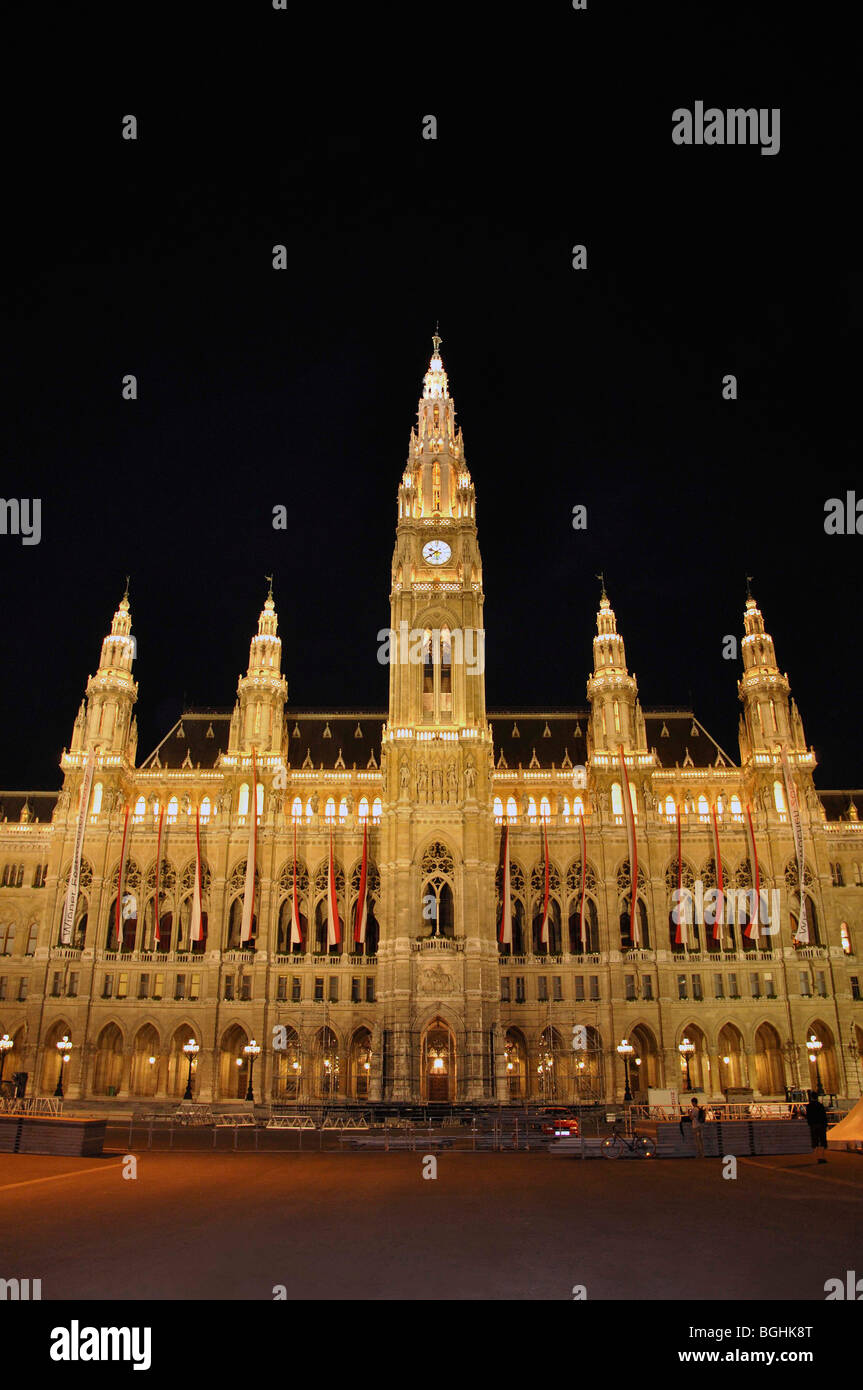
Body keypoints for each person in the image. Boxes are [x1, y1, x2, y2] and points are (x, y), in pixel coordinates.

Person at [804, 1089, 829, 1163]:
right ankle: (822, 1157)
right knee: (822, 1141)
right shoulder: (820, 1105)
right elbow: (823, 1116)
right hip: (821, 1125)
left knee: (815, 1141)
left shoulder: (809, 1106)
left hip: (813, 1125)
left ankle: (818, 1157)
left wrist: (810, 1123)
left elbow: (808, 1116)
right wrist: (825, 1124)